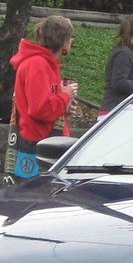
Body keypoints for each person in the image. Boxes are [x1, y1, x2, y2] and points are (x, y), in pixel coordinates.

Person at [5, 15, 78, 180]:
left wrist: (65, 104)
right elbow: (39, 109)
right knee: (32, 198)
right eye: (70, 38)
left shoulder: (47, 64)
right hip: (35, 145)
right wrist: (65, 95)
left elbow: (48, 96)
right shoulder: (37, 64)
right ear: (64, 42)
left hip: (41, 142)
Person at [98, 14, 133, 118]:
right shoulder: (124, 53)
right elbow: (119, 82)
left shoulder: (131, 53)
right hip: (112, 114)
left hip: (121, 113)